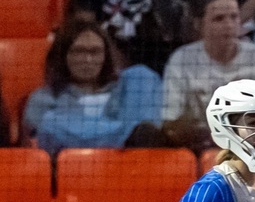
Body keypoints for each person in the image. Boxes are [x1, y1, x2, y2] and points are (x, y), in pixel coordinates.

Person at [161, 0, 255, 153]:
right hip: (199, 151)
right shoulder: (181, 61)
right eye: (219, 19)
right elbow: (171, 123)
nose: (229, 25)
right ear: (199, 24)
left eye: (234, 17)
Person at [22, 18, 165, 155]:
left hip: (134, 165)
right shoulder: (43, 99)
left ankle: (134, 137)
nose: (87, 60)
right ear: (63, 55)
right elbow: (41, 144)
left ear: (106, 56)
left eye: (95, 52)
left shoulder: (128, 87)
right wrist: (126, 133)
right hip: (75, 171)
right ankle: (128, 137)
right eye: (78, 51)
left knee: (141, 74)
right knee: (50, 124)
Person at [66, 0, 189, 74]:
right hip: (115, 56)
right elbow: (85, 24)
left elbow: (196, 20)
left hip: (173, 58)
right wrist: (109, 57)